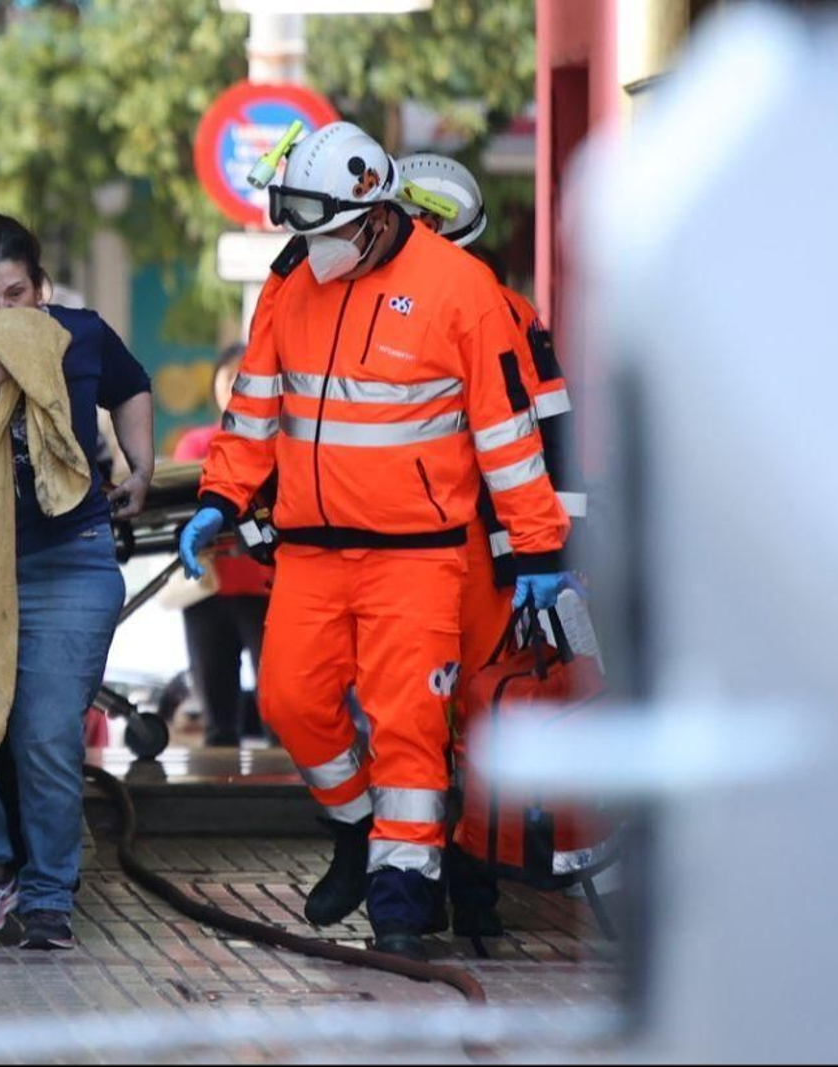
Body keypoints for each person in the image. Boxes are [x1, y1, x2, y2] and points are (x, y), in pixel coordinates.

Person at [178, 122, 572, 961]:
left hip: (418, 555)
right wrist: (220, 498)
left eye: (324, 233)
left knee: (410, 728)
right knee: (288, 700)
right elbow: (253, 410)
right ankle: (358, 826)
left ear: (374, 212)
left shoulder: (459, 288)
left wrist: (538, 547)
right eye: (302, 234)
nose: (311, 249)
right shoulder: (292, 284)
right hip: (313, 552)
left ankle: (401, 901)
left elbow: (507, 434)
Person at [0, 212, 154, 951]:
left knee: (45, 732)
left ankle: (48, 891)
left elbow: (131, 388)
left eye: (18, 293)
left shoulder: (83, 332)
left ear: (40, 286)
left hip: (68, 557)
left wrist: (139, 466)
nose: (5, 310)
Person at [396, 152, 589, 936]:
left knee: (465, 717)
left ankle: (464, 886)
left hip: (478, 551)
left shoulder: (496, 310)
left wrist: (547, 557)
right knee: (421, 718)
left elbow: (548, 436)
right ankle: (428, 880)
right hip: (417, 547)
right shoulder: (388, 303)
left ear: (438, 225)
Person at [172, 343, 271, 747]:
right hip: (206, 590)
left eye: (245, 377)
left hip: (268, 589)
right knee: (218, 717)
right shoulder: (196, 445)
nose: (235, 385)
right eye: (228, 376)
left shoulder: (277, 446)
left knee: (285, 710)